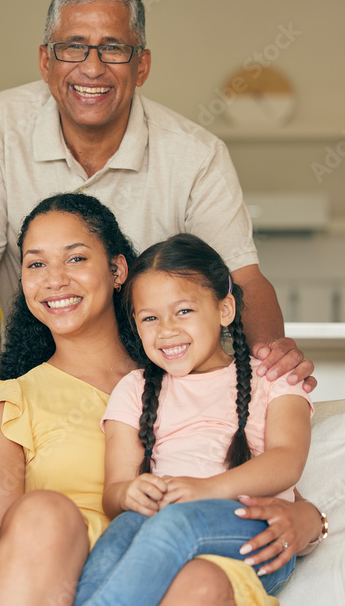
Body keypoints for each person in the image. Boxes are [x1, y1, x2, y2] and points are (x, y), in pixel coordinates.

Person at [0, 0, 315, 391]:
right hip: (32, 372)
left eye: (113, 48)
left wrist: (271, 367)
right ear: (45, 62)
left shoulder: (197, 155)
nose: (91, 68)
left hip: (162, 381)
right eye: (73, 47)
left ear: (141, 65)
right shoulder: (2, 125)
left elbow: (242, 279)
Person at [0, 194, 324, 606]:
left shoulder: (201, 374)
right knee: (97, 522)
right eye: (35, 263)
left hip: (206, 561)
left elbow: (279, 465)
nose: (55, 279)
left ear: (117, 270)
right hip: (79, 570)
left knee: (195, 576)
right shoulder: (19, 403)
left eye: (75, 258)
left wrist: (311, 519)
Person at [73, 233, 313, 605]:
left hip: (254, 533)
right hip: (164, 529)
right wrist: (129, 494)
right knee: (121, 531)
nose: (167, 329)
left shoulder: (272, 377)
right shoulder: (134, 389)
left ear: (224, 310)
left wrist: (204, 489)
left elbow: (288, 460)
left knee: (176, 522)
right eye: (150, 317)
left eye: (183, 310)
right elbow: (113, 493)